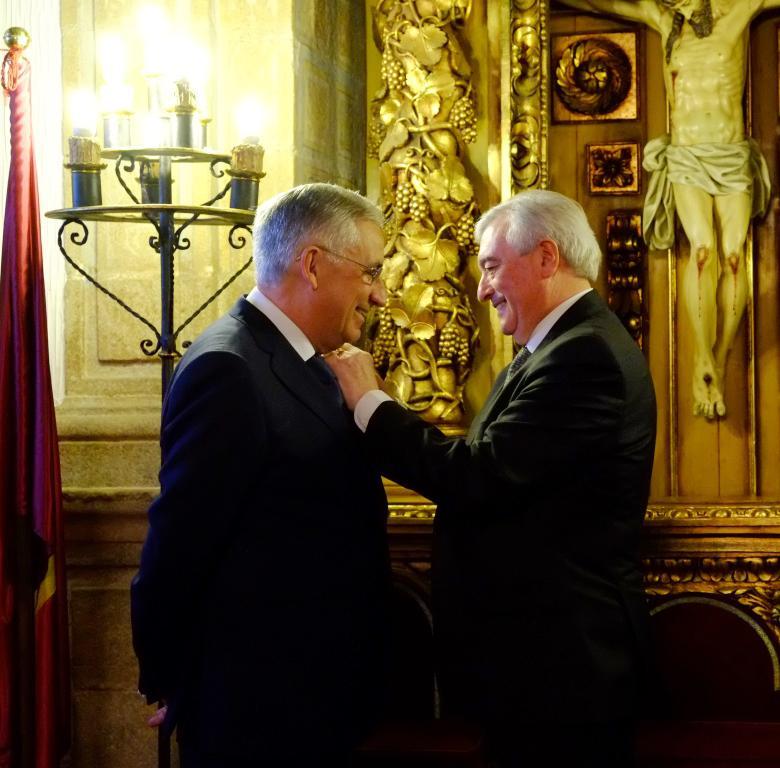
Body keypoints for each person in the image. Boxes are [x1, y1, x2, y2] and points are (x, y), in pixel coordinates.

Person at [326, 190, 657, 767]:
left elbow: (480, 476)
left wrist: (370, 402)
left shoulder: (584, 357)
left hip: (565, 669)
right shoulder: (552, 348)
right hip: (541, 664)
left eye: (491, 266)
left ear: (547, 258)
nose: (482, 289)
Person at [130, 183, 391, 767]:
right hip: (258, 710)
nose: (379, 294)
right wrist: (173, 677)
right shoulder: (230, 368)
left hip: (313, 696)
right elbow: (178, 544)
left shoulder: (308, 360)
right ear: (314, 265)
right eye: (370, 271)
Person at [559, 0, 776, 419]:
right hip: (687, 156)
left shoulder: (740, 13)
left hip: (730, 154)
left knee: (733, 258)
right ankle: (702, 359)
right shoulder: (664, 20)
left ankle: (717, 356)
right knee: (703, 252)